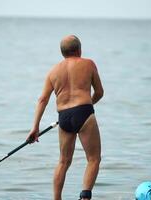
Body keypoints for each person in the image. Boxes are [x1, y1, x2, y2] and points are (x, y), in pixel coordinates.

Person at [26, 35, 104, 200]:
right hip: (84, 113)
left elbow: (42, 100)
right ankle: (85, 197)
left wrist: (35, 127)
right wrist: (87, 106)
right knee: (93, 158)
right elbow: (99, 92)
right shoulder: (88, 64)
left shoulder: (53, 71)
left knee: (63, 162)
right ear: (79, 50)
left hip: (64, 117)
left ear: (62, 52)